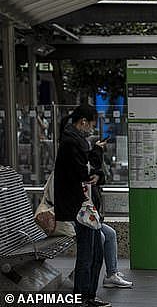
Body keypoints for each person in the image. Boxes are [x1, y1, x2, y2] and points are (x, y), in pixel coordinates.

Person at [53, 105, 111, 307]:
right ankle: (83, 296)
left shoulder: (77, 141)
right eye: (91, 125)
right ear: (83, 122)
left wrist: (96, 170)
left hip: (86, 205)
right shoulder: (71, 143)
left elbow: (91, 171)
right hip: (79, 206)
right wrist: (97, 151)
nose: (92, 129)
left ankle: (89, 295)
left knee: (96, 252)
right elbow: (83, 171)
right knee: (88, 254)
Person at [87, 139, 133, 289]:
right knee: (99, 237)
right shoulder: (72, 165)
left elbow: (99, 174)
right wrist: (96, 152)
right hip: (77, 219)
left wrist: (98, 176)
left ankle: (111, 274)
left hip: (90, 217)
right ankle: (83, 274)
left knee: (110, 234)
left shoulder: (87, 165)